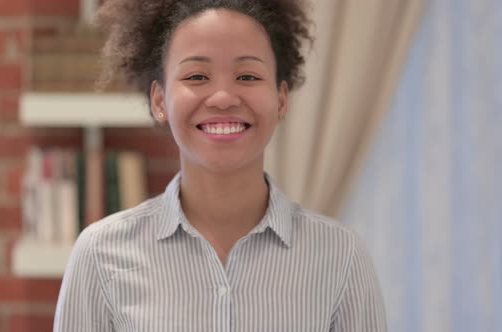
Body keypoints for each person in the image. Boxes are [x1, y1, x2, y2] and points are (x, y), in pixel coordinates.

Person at [54, 0, 387, 331]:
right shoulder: (99, 256)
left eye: (247, 75)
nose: (224, 97)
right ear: (159, 101)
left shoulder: (343, 259)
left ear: (281, 99)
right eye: (197, 76)